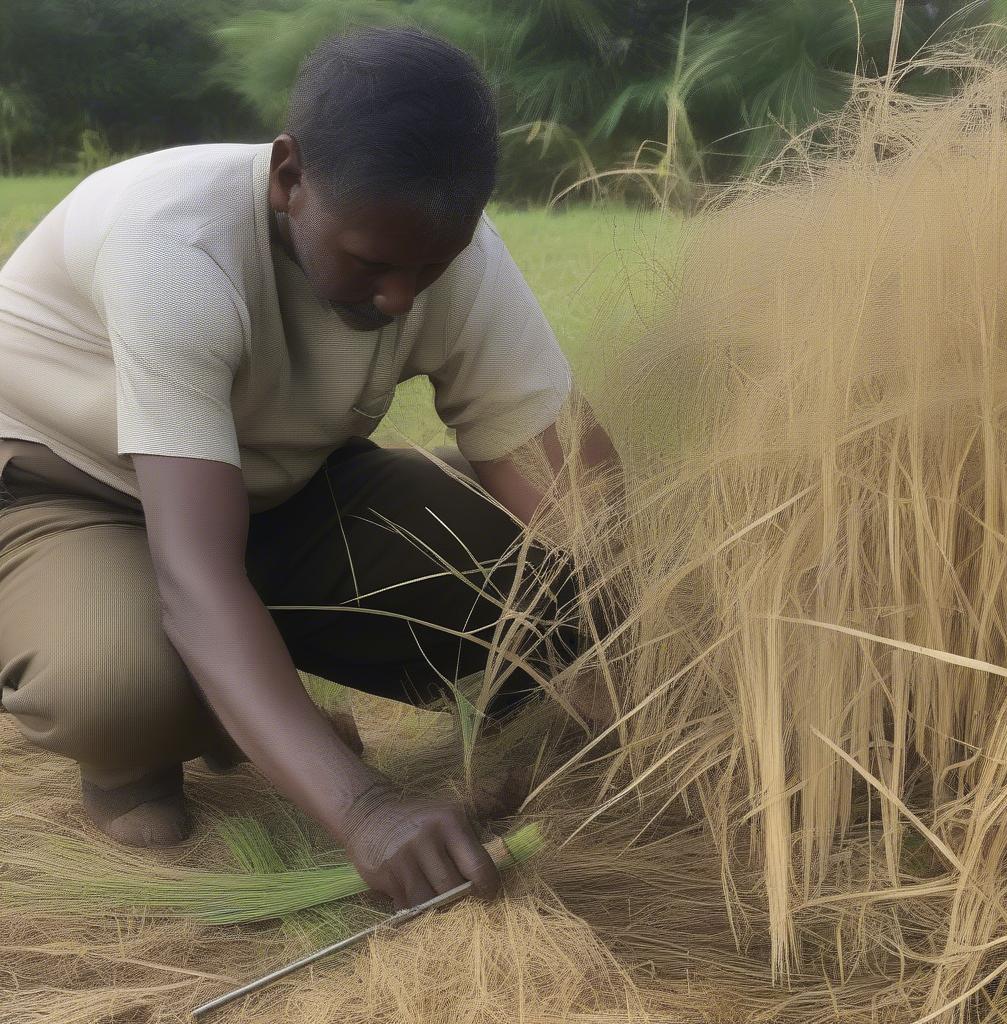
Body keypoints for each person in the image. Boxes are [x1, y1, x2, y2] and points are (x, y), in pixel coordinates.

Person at [0, 26, 620, 912]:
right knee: (117, 685)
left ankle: (249, 698)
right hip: (71, 494)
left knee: (538, 579)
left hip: (272, 494)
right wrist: (365, 810)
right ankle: (163, 740)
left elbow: (581, 505)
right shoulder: (175, 246)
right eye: (371, 263)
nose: (402, 298)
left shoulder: (457, 259)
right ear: (289, 177)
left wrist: (672, 672)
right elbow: (196, 579)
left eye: (430, 267)